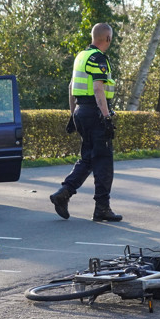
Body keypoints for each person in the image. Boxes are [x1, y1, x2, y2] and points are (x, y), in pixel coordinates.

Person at [49, 23, 123, 222]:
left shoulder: (81, 56)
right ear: (107, 38)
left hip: (82, 111)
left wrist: (73, 114)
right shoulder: (99, 58)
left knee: (88, 158)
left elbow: (72, 86)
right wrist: (107, 118)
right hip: (96, 113)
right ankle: (102, 208)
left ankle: (63, 193)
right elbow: (98, 89)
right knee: (104, 161)